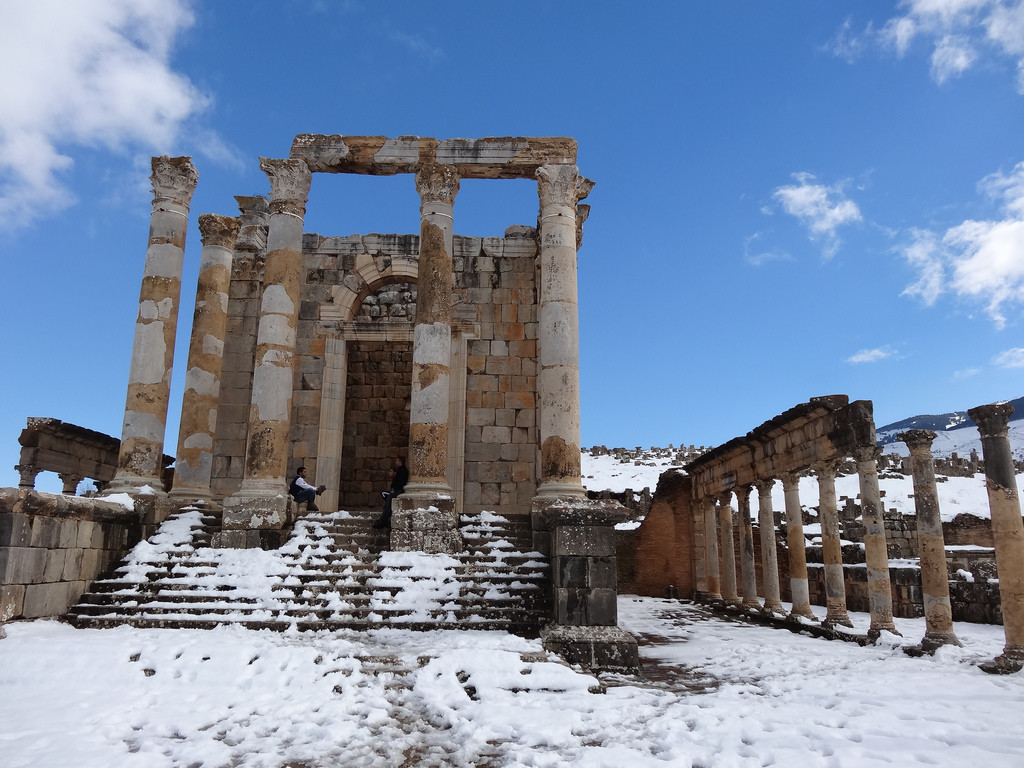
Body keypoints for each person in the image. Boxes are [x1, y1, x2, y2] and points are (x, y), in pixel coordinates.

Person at [373, 457, 408, 529]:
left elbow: (400, 483)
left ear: (400, 461)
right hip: (396, 490)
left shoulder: (402, 471)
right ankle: (383, 521)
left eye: (397, 461)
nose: (396, 462)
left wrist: (394, 488)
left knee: (388, 505)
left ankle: (382, 522)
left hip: (397, 491)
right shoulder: (401, 470)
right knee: (387, 505)